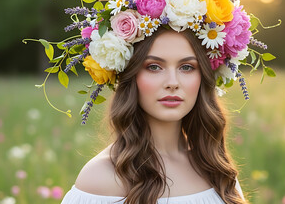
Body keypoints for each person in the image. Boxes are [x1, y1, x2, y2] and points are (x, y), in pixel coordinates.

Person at [61, 27, 247, 204]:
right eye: (154, 67)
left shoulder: (216, 167)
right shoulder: (100, 178)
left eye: (187, 67)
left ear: (203, 77)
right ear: (130, 75)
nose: (172, 83)